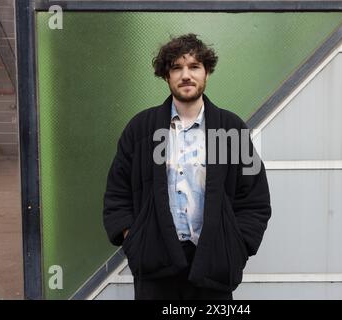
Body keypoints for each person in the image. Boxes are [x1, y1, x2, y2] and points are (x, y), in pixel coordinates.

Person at [103, 33, 271, 300]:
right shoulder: (141, 129)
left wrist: (236, 245)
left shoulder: (231, 129)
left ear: (207, 73)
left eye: (194, 66)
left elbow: (255, 197)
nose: (186, 75)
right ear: (166, 76)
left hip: (213, 266)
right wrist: (135, 239)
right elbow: (117, 192)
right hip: (156, 264)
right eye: (176, 68)